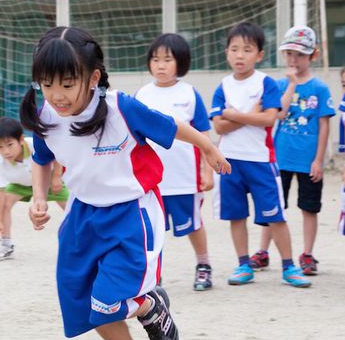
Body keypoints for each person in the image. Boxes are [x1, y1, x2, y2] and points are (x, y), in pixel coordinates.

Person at [20, 26, 230, 340]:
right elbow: (41, 158)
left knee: (107, 300)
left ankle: (150, 304)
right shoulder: (47, 115)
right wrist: (39, 197)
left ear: (93, 77)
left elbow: (173, 127)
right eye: (47, 85)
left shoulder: (120, 108)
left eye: (68, 84)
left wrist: (208, 148)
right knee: (86, 304)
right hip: (83, 216)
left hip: (131, 215)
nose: (57, 95)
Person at [209, 21, 310, 288]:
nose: (239, 55)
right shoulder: (222, 86)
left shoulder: (265, 83)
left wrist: (233, 114)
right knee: (236, 216)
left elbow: (268, 119)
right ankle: (243, 264)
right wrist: (248, 114)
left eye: (247, 49)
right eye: (234, 49)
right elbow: (218, 126)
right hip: (229, 162)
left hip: (261, 162)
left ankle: (289, 267)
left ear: (260, 54)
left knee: (275, 216)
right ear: (227, 53)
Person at [250, 26, 335, 275]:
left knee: (309, 207)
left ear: (313, 56)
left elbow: (323, 125)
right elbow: (280, 114)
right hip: (280, 157)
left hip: (308, 160)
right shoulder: (278, 84)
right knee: (273, 206)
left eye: (299, 54)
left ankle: (307, 254)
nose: (293, 59)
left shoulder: (320, 88)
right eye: (289, 53)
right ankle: (263, 251)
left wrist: (319, 160)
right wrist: (290, 85)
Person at [135, 34, 216, 291]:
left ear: (180, 63)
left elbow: (203, 135)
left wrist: (207, 172)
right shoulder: (141, 95)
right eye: (155, 59)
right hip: (151, 180)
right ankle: (153, 277)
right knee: (151, 230)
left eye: (167, 60)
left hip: (184, 178)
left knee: (193, 224)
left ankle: (203, 266)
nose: (160, 65)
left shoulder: (190, 94)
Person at [0, 116, 68, 261]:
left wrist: (56, 176)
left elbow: (56, 154)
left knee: (72, 208)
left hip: (48, 182)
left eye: (9, 144)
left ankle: (87, 242)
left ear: (21, 139)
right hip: (20, 185)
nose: (6, 151)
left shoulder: (34, 145)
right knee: (5, 202)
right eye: (0, 147)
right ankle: (6, 243)